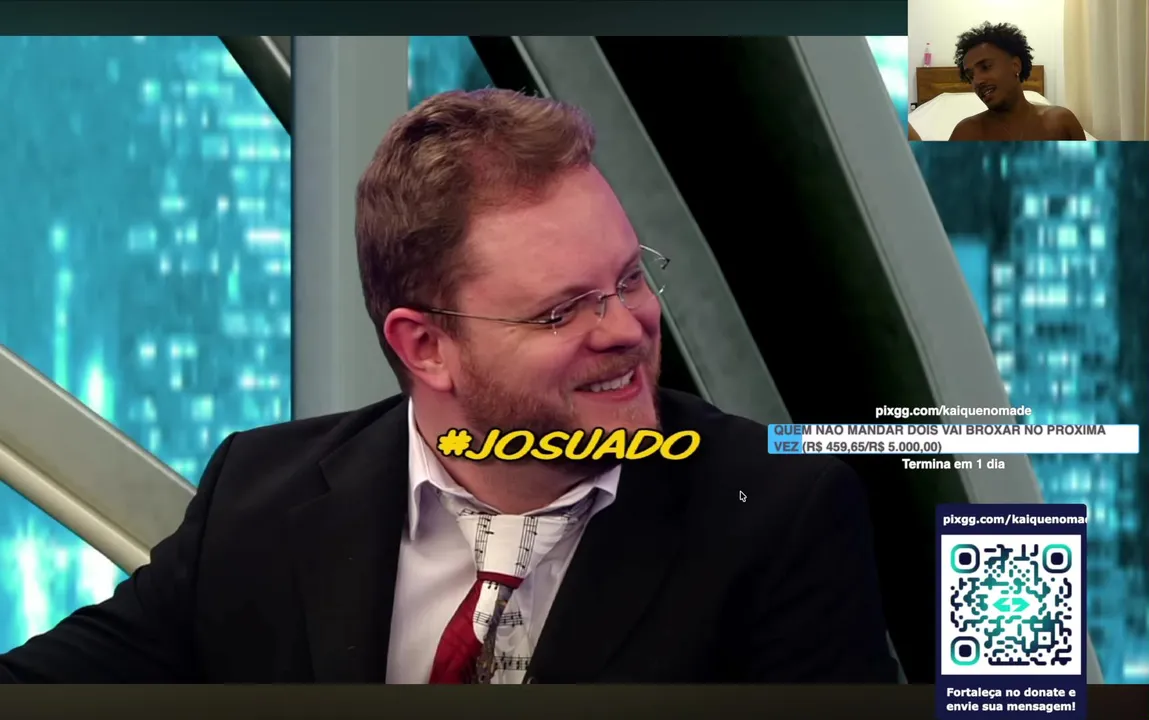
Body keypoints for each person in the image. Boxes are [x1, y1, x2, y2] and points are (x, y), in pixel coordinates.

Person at [0, 89, 898, 684]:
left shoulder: (776, 519)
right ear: (425, 347)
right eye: (561, 311)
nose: (626, 326)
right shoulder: (257, 498)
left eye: (629, 277)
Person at [948, 22, 1087, 141]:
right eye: (971, 76)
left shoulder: (1061, 123)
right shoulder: (965, 133)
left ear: (1016, 66)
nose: (977, 81)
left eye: (986, 67)